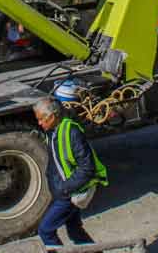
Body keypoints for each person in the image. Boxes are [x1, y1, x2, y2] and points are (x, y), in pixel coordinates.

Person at [33, 97, 107, 247]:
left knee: (45, 230)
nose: (39, 123)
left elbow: (87, 168)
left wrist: (64, 188)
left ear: (52, 116)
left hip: (70, 192)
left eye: (41, 119)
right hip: (64, 191)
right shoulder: (52, 132)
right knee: (74, 230)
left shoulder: (71, 132)